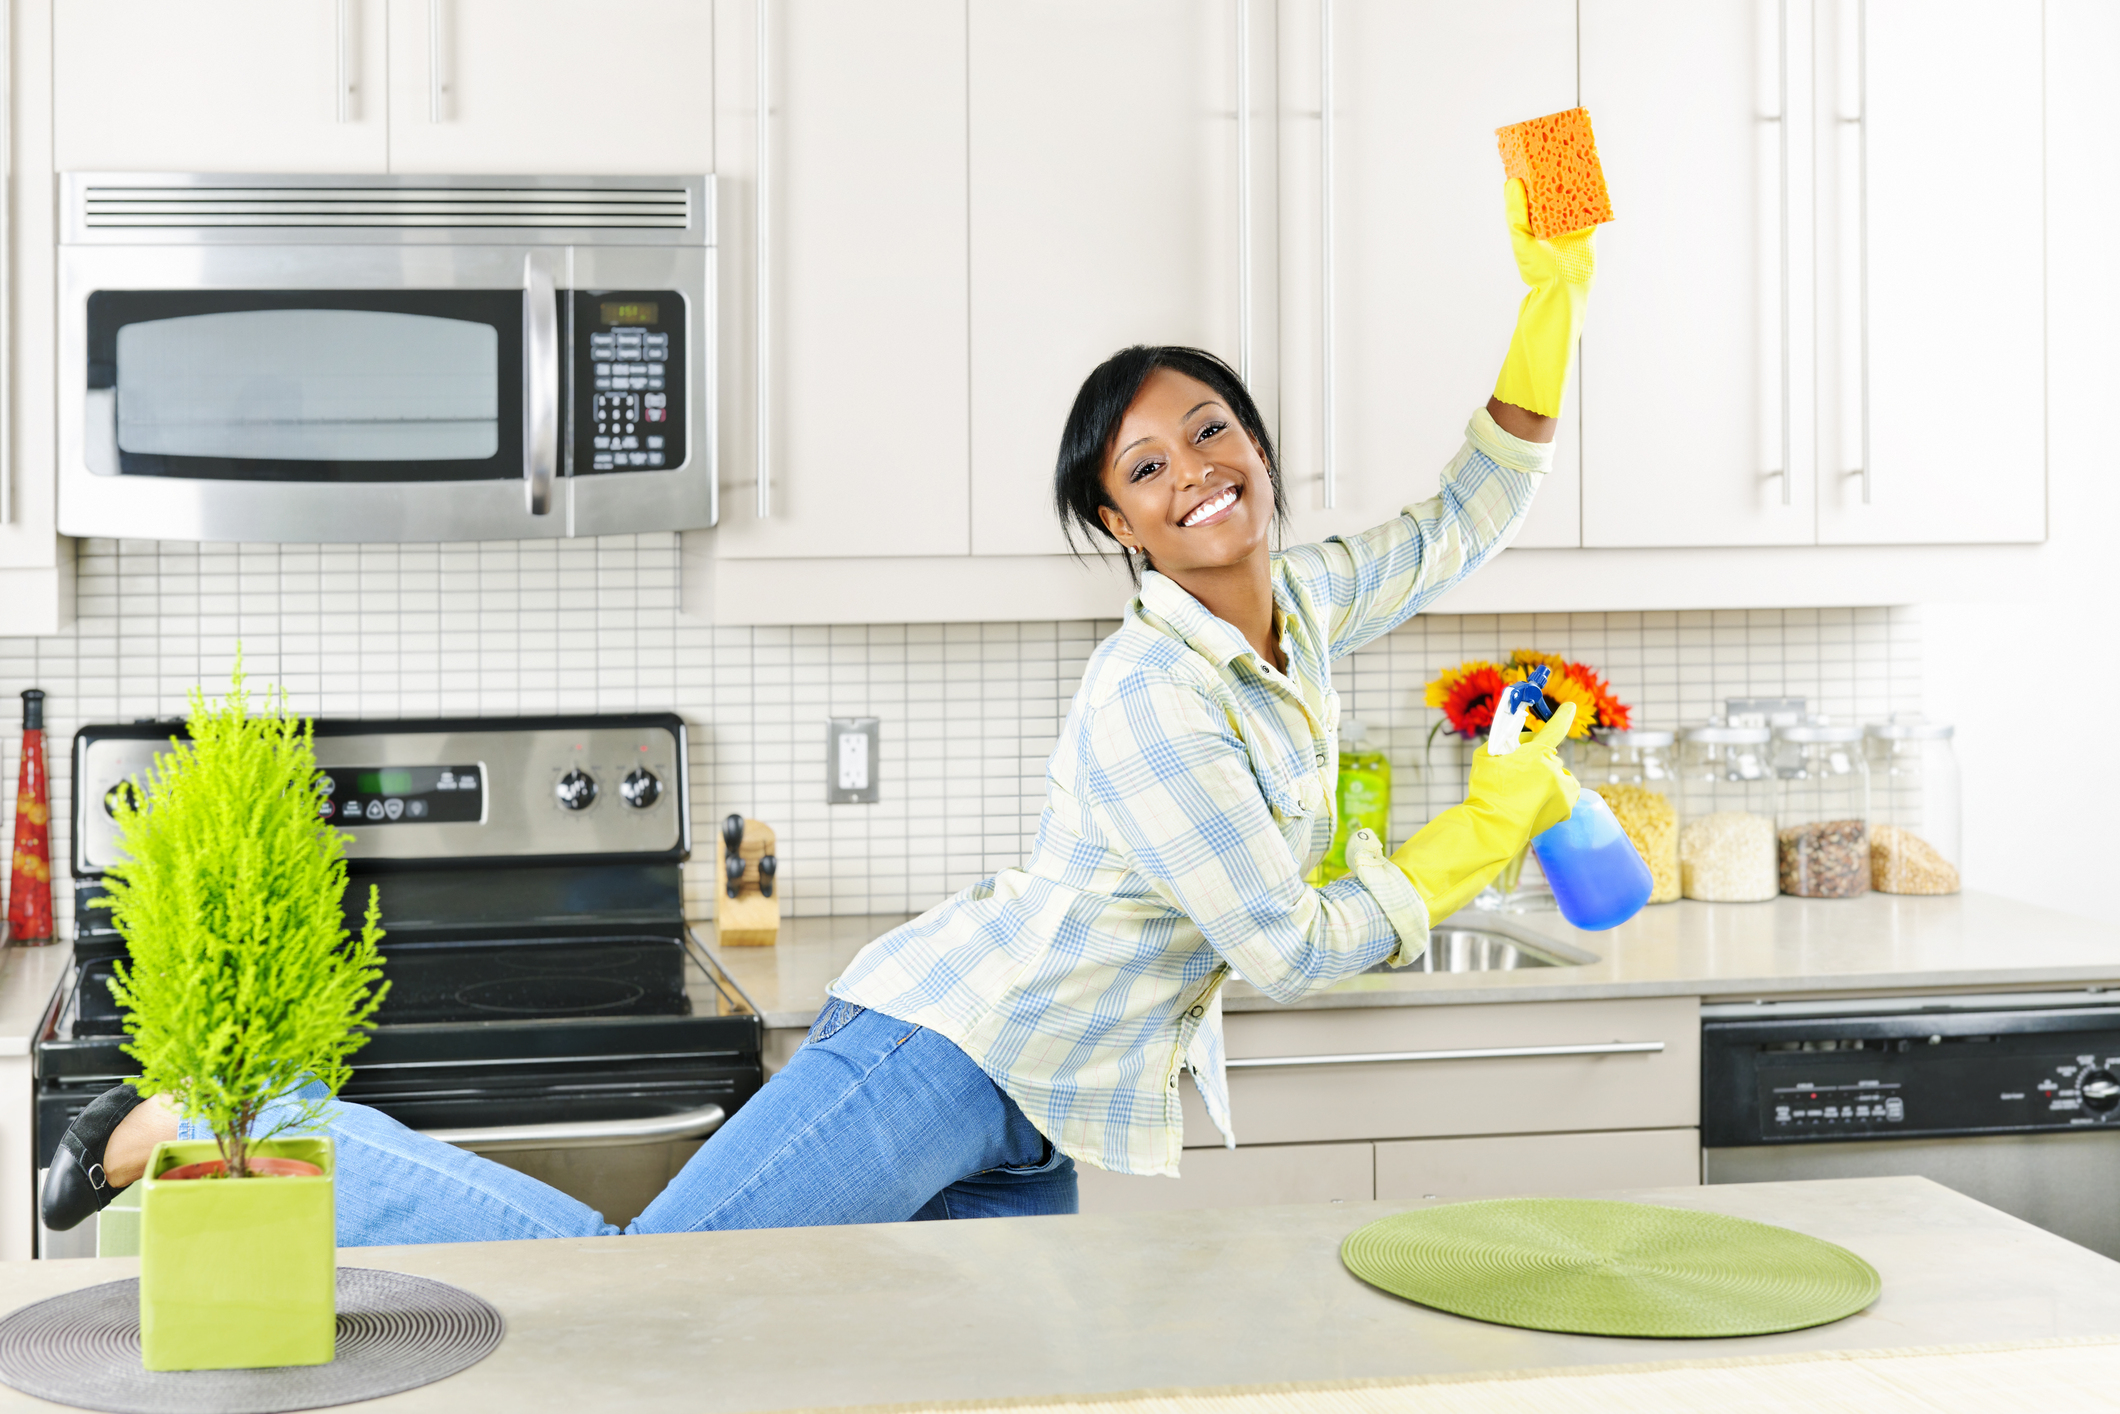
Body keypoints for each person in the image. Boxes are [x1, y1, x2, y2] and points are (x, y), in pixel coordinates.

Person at [44, 180, 1595, 1242]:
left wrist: (1554, 297)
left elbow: (1469, 510)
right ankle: (222, 1124)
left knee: (946, 1377)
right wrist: (1482, 830)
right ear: (1116, 524)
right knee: (660, 1290)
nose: (1195, 469)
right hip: (942, 1051)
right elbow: (1290, 947)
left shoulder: (1302, 601)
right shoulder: (1152, 697)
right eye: (1147, 465)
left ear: (1257, 444)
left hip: (1037, 1105)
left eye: (1210, 430)